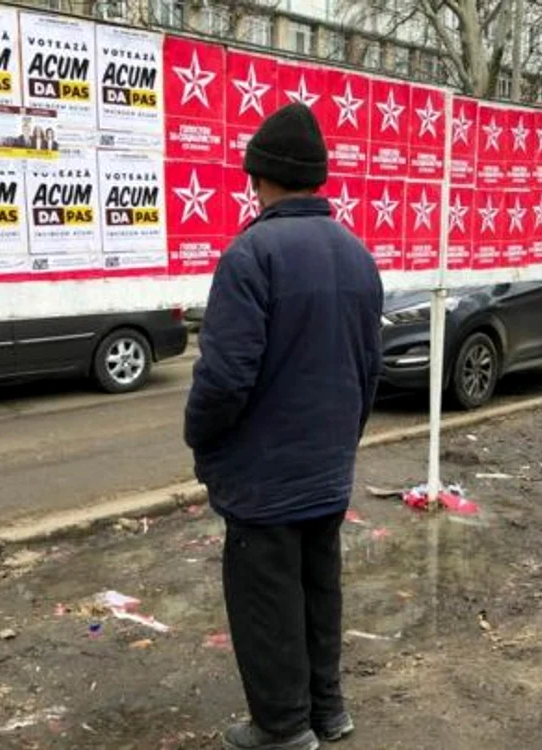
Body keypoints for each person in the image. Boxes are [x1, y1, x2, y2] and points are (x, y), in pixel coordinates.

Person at [185, 102, 383, 750]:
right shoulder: (357, 254)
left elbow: (224, 378)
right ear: (317, 178)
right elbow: (368, 370)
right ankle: (327, 711)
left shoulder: (250, 255)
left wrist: (200, 437)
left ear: (258, 177)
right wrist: (342, 442)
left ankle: (281, 727)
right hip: (327, 469)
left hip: (263, 479)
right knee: (318, 589)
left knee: (266, 601)